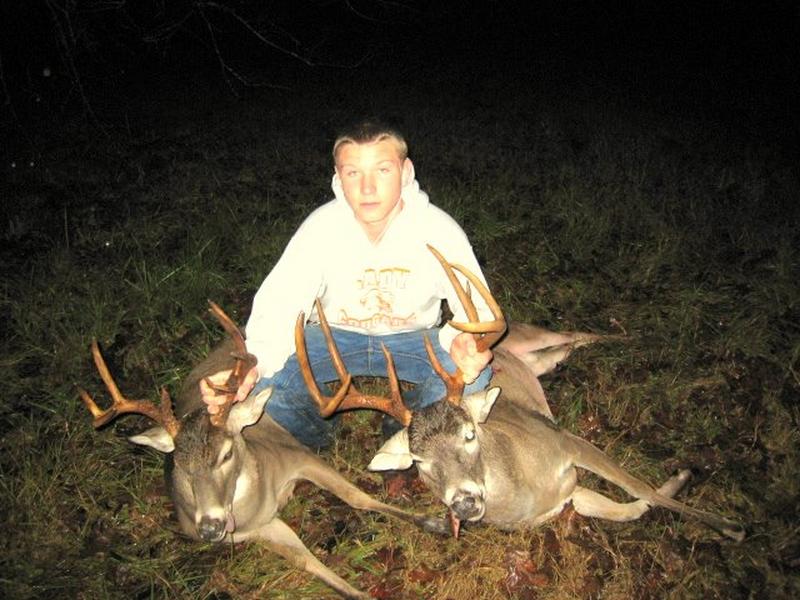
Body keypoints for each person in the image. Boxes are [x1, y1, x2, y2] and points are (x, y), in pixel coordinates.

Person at [202, 118, 495, 448]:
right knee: (258, 388)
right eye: (353, 172)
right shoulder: (320, 228)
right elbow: (280, 304)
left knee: (473, 379)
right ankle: (319, 433)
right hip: (332, 339)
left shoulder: (439, 229)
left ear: (406, 171)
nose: (367, 188)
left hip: (412, 341)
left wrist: (465, 341)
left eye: (382, 170)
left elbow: (477, 310)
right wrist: (254, 365)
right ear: (338, 178)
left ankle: (406, 428)